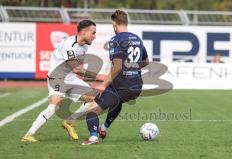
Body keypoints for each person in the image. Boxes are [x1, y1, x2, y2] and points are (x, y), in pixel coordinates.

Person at [21, 20, 99, 142]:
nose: (95, 36)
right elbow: (76, 68)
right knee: (54, 107)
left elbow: (76, 69)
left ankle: (69, 122)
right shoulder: (69, 44)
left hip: (71, 78)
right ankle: (28, 135)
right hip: (57, 78)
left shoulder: (84, 46)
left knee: (94, 98)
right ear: (84, 32)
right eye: (93, 33)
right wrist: (100, 77)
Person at [80, 9, 149, 145]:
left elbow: (117, 67)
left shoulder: (116, 40)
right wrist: (132, 70)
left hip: (121, 86)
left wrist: (103, 85)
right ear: (126, 22)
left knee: (91, 110)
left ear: (114, 24)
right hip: (136, 86)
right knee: (117, 101)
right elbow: (146, 62)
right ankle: (103, 129)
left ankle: (93, 138)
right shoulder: (137, 39)